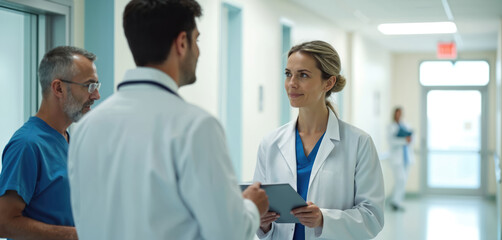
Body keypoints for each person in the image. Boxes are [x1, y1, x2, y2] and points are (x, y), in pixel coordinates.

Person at [67, 0, 269, 239]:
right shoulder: (196, 126)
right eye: (197, 40)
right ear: (182, 43)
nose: (199, 52)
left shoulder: (86, 128)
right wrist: (251, 207)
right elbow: (227, 232)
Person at [253, 40, 385, 240]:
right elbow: (262, 212)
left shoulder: (359, 143)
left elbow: (372, 217)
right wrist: (261, 223)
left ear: (328, 83)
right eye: (288, 74)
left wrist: (323, 219)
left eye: (303, 75)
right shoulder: (270, 144)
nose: (292, 83)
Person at [0, 46, 101, 240]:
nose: (96, 95)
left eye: (97, 86)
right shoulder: (27, 145)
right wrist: (73, 235)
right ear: (58, 88)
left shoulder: (67, 139)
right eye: (89, 86)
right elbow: (4, 222)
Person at [388, 107, 413, 211]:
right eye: (397, 113)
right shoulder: (391, 127)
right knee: (400, 180)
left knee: (402, 181)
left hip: (406, 158)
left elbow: (411, 139)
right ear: (394, 114)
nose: (399, 115)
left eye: (400, 113)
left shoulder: (405, 125)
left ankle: (396, 201)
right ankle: (395, 203)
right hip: (397, 159)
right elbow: (392, 142)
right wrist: (404, 140)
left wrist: (407, 139)